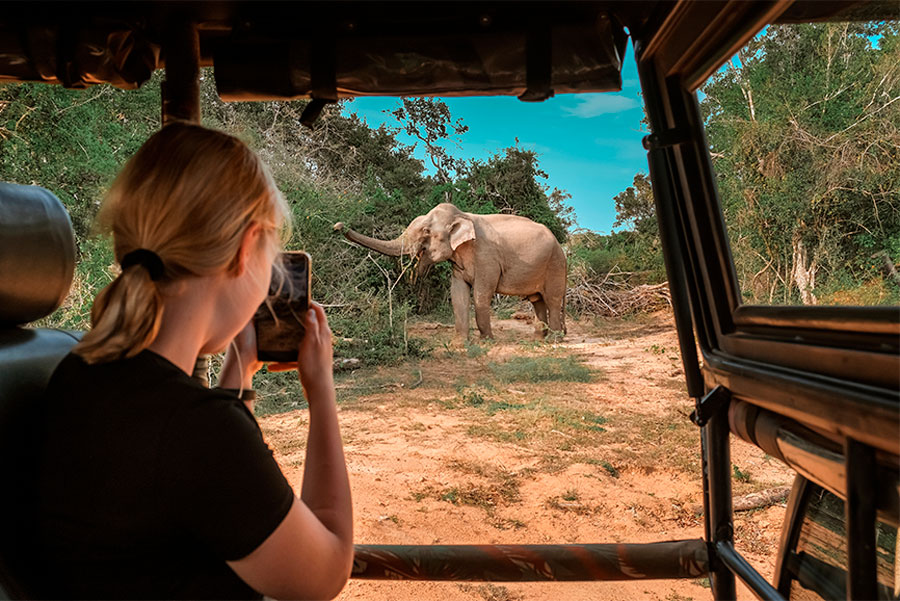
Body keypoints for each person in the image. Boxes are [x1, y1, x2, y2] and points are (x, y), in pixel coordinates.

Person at [30, 122, 353, 600]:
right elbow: (325, 571)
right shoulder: (198, 430)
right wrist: (321, 391)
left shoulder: (77, 373)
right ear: (245, 251)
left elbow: (191, 479)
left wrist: (239, 370)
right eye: (269, 252)